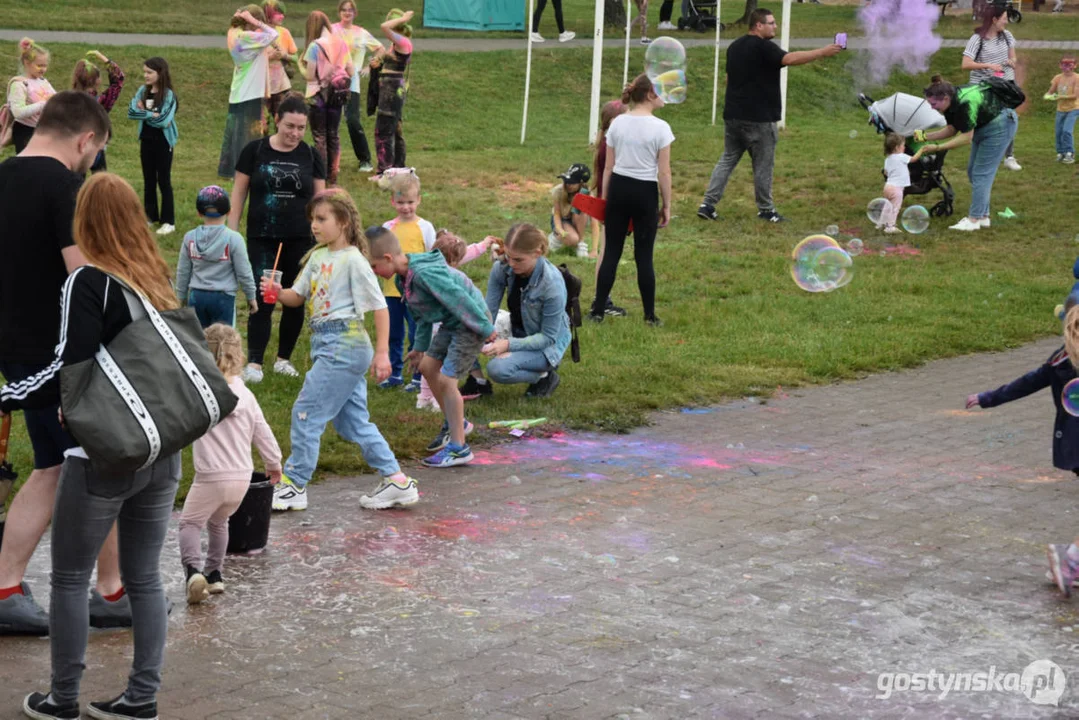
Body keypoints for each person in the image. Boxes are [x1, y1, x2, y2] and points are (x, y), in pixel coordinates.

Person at [1, 172, 182, 720]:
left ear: (86, 221)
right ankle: (142, 697)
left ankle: (62, 698)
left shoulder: (88, 282)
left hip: (102, 450)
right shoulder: (155, 277)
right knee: (145, 577)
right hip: (162, 448)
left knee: (68, 578)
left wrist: (9, 395)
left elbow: (67, 369)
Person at [0, 92, 128, 639]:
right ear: (85, 139)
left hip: (15, 348)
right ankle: (11, 588)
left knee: (78, 463)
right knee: (77, 466)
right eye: (93, 151)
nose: (90, 162)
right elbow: (84, 282)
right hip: (59, 355)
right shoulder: (65, 189)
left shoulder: (3, 175)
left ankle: (112, 588)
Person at [262, 189, 419, 512]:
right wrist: (278, 292)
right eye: (312, 220)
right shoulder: (318, 257)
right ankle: (397, 481)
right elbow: (297, 296)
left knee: (305, 412)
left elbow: (379, 307)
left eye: (321, 219)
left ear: (343, 221)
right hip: (325, 343)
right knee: (352, 424)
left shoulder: (353, 261)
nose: (314, 226)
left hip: (344, 344)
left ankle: (294, 484)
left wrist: (381, 354)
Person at [965, 303, 1079, 596]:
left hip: (1073, 445)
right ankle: (1070, 561)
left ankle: (1071, 559)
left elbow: (1025, 383)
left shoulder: (1059, 360)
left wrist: (986, 398)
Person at [368, 228, 497, 469]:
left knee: (448, 381)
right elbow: (423, 317)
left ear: (387, 258)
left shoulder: (425, 273)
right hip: (454, 321)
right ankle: (458, 422)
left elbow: (459, 298)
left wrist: (484, 326)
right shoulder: (403, 277)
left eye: (374, 266)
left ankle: (459, 448)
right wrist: (419, 348)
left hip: (470, 322)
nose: (373, 273)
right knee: (427, 366)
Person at [697, 9, 841, 223]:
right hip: (759, 119)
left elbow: (728, 79)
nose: (775, 26)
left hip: (734, 115)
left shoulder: (735, 47)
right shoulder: (764, 47)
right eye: (771, 23)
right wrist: (822, 52)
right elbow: (790, 59)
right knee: (763, 165)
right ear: (758, 25)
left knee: (727, 160)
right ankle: (766, 209)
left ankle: (707, 205)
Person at [180, 324, 281, 606]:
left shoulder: (202, 392)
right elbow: (263, 431)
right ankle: (214, 574)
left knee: (189, 523)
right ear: (238, 356)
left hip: (211, 476)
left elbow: (181, 422)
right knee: (219, 521)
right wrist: (274, 464)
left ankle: (193, 572)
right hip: (241, 480)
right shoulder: (247, 396)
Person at [229, 93, 327, 383]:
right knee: (263, 295)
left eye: (300, 128)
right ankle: (255, 362)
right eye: (289, 126)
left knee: (294, 297)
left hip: (301, 237)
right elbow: (238, 194)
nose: (295, 133)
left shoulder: (311, 155)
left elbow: (321, 201)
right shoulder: (254, 150)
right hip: (262, 236)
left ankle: (284, 359)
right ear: (277, 121)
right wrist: (231, 232)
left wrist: (323, 235)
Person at [589, 74, 673, 327]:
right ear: (649, 95)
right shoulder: (661, 128)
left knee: (612, 252)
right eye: (660, 91)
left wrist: (605, 198)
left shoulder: (617, 124)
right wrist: (666, 205)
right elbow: (664, 172)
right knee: (643, 256)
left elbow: (608, 168)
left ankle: (598, 311)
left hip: (618, 189)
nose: (664, 97)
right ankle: (649, 315)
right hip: (645, 192)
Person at [912, 75, 1019, 232]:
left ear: (945, 98)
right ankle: (983, 217)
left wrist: (937, 148)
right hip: (983, 126)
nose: (932, 107)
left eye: (933, 104)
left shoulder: (965, 102)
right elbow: (952, 129)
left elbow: (965, 138)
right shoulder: (950, 104)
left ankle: (974, 219)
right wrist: (925, 136)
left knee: (982, 174)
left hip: (1000, 126)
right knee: (973, 172)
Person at [484, 223, 571, 399]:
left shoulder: (552, 284)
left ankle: (543, 377)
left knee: (497, 369)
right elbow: (488, 310)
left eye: (518, 260)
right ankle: (476, 383)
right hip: (517, 328)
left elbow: (548, 337)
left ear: (537, 253)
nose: (511, 264)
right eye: (508, 257)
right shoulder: (502, 268)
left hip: (546, 346)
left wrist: (508, 344)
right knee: (463, 328)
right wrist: (482, 331)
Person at [417, 229, 498, 411]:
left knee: (429, 363)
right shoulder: (450, 278)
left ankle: (425, 397)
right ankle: (438, 399)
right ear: (454, 260)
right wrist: (487, 329)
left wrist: (483, 245)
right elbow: (467, 306)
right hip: (445, 327)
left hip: (435, 325)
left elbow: (466, 253)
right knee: (443, 367)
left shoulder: (428, 267)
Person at [377, 169, 435, 390]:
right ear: (393, 201)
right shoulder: (388, 228)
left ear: (419, 200)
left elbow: (432, 256)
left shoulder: (425, 227)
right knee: (393, 334)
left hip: (417, 293)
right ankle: (394, 373)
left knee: (417, 334)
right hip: (391, 291)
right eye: (401, 202)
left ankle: (419, 376)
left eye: (410, 202)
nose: (406, 207)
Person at [176, 185, 258, 328]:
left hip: (196, 297)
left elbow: (183, 271)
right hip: (223, 298)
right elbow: (244, 272)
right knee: (224, 342)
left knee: (199, 341)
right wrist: (251, 296)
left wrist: (180, 296)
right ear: (229, 211)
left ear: (199, 213)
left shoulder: (189, 238)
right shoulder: (234, 239)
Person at [217, 6, 278, 179]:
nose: (259, 27)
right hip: (250, 90)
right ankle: (247, 169)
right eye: (257, 23)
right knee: (249, 134)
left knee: (235, 133)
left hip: (239, 89)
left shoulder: (234, 32)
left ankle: (227, 170)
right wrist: (254, 20)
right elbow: (273, 35)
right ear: (250, 21)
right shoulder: (245, 36)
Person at [962, 4, 1021, 172]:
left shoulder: (1007, 36)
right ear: (994, 20)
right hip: (983, 87)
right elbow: (965, 64)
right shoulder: (977, 39)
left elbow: (1013, 57)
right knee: (983, 122)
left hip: (1005, 85)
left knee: (1009, 117)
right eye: (1004, 19)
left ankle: (1009, 157)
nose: (1007, 22)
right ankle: (981, 152)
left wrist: (1012, 62)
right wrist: (988, 65)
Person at [127, 57, 178, 236]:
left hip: (163, 143)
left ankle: (168, 221)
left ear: (160, 73)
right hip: (146, 141)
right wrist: (153, 114)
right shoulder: (143, 90)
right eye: (144, 72)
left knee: (163, 181)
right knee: (148, 180)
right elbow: (132, 112)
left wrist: (146, 113)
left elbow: (165, 121)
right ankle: (150, 217)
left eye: (149, 72)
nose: (145, 76)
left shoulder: (169, 95)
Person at [303, 9, 354, 186]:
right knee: (334, 135)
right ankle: (333, 176)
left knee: (320, 137)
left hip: (318, 95)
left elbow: (310, 76)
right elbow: (351, 71)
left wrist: (299, 65)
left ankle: (321, 174)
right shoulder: (342, 43)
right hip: (337, 95)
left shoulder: (314, 46)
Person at [333, 0, 384, 173]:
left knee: (352, 120)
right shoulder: (331, 30)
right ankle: (331, 162)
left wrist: (370, 65)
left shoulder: (361, 33)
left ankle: (365, 160)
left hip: (351, 82)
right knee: (330, 122)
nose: (347, 13)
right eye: (344, 10)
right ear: (339, 12)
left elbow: (381, 49)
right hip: (331, 81)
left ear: (355, 13)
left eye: (350, 10)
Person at [593, 99, 628, 318]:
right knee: (606, 254)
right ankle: (601, 300)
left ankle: (602, 298)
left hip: (609, 204)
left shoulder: (606, 141)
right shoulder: (610, 145)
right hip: (611, 205)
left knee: (607, 252)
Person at [373, 9, 413, 175]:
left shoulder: (403, 42)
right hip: (390, 88)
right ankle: (398, 166)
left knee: (383, 130)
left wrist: (403, 18)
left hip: (392, 90)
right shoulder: (397, 44)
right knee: (395, 128)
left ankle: (385, 171)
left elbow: (384, 27)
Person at [71, 50, 124, 173]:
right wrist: (103, 59)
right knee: (100, 182)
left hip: (76, 146)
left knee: (76, 185)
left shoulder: (70, 99)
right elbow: (118, 80)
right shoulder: (100, 101)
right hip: (96, 145)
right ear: (97, 80)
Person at [6, 38, 56, 154]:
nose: (43, 69)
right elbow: (17, 112)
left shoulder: (43, 81)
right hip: (25, 132)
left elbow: (55, 97)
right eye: (39, 65)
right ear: (27, 63)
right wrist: (42, 104)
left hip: (43, 130)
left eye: (45, 65)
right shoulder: (19, 84)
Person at [262, 0, 299, 128]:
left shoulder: (284, 32)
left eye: (283, 13)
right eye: (278, 13)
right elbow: (248, 61)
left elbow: (296, 58)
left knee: (282, 123)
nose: (282, 16)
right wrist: (269, 57)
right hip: (262, 87)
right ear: (267, 13)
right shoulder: (257, 33)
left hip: (281, 87)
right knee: (262, 126)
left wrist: (284, 56)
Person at [547, 163, 594, 258]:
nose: (568, 185)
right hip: (561, 219)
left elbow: (594, 222)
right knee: (572, 240)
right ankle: (555, 237)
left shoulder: (586, 194)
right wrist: (559, 229)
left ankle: (581, 243)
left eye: (572, 182)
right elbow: (556, 214)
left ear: (581, 183)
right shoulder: (559, 191)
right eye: (567, 181)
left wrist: (594, 250)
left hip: (577, 219)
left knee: (581, 211)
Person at [1047, 55, 1079, 164]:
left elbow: (1075, 95)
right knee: (1059, 132)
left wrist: (1059, 97)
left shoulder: (1077, 78)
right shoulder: (1057, 78)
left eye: (1070, 64)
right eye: (1064, 64)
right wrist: (1048, 95)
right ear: (1060, 65)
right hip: (1060, 109)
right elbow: (1051, 91)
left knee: (1067, 131)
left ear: (1075, 65)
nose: (1067, 67)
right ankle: (1061, 153)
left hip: (1074, 108)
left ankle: (1070, 153)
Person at [879, 132, 911, 233]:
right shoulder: (902, 156)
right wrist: (922, 150)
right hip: (897, 189)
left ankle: (881, 223)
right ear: (897, 147)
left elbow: (885, 172)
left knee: (887, 206)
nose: (904, 147)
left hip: (888, 186)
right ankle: (890, 227)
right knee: (895, 208)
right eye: (903, 145)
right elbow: (913, 159)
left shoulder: (887, 159)